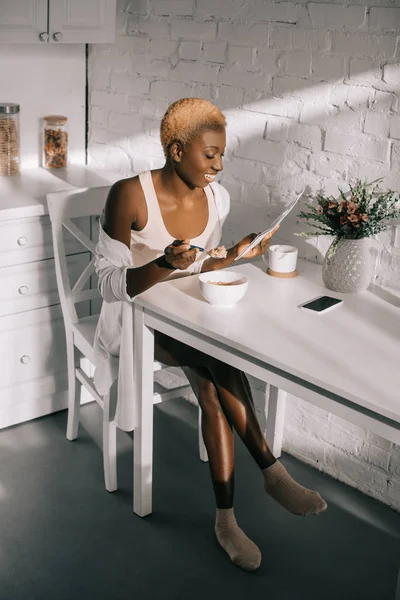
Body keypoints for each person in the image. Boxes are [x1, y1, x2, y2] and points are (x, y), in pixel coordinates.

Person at [94, 98, 327, 572]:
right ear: (177, 149)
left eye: (222, 155)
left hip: (186, 318)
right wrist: (162, 263)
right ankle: (270, 472)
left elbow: (201, 262)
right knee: (217, 363)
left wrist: (235, 254)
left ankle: (227, 520)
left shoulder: (215, 197)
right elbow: (107, 285)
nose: (218, 166)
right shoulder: (129, 195)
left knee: (211, 379)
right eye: (210, 154)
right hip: (133, 321)